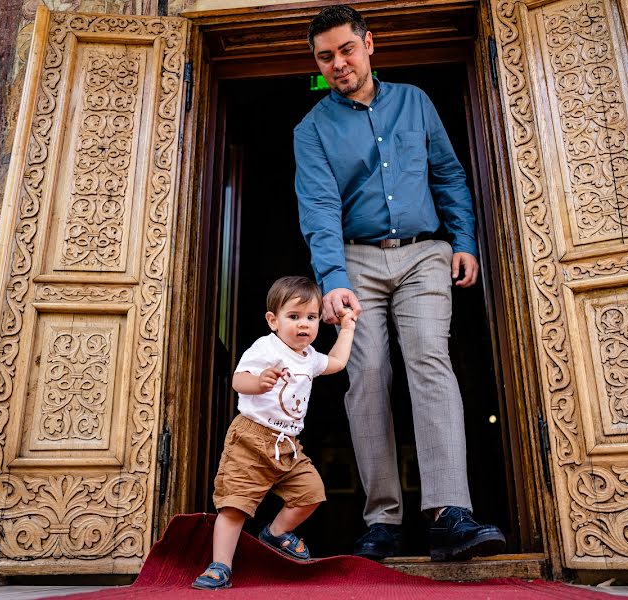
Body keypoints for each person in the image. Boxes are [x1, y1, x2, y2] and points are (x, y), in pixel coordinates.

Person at [294, 4, 506, 562]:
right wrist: (332, 280)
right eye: (325, 57)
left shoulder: (415, 102)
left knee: (429, 361)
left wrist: (464, 241)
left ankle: (449, 513)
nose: (338, 63)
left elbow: (448, 175)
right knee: (365, 374)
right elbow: (317, 207)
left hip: (423, 255)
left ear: (369, 44)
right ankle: (382, 520)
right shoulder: (311, 129)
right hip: (355, 261)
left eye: (346, 49)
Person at [192, 276, 356, 590]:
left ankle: (277, 533)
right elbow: (239, 381)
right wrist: (260, 382)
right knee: (235, 503)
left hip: (288, 445)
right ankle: (220, 566)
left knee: (311, 494)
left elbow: (336, 362)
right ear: (273, 320)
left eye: (311, 317)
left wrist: (347, 329)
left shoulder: (309, 358)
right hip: (251, 438)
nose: (303, 325)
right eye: (294, 317)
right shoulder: (266, 348)